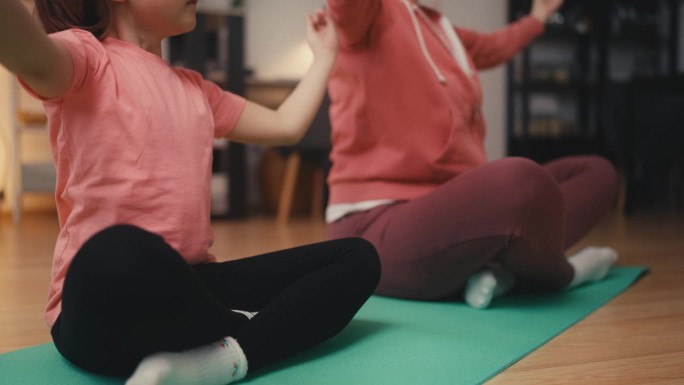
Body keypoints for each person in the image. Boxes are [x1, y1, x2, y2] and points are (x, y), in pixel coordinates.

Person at [0, 1, 381, 385]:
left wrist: (326, 54)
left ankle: (224, 359)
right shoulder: (85, 57)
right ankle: (254, 326)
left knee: (356, 257)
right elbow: (27, 52)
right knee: (117, 249)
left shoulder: (195, 89)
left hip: (190, 287)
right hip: (102, 312)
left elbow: (286, 126)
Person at [325, 0, 619, 309]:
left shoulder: (441, 29)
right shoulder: (368, 14)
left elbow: (492, 46)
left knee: (597, 173)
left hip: (450, 217)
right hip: (375, 230)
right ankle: (564, 273)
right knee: (518, 182)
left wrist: (537, 18)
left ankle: (491, 267)